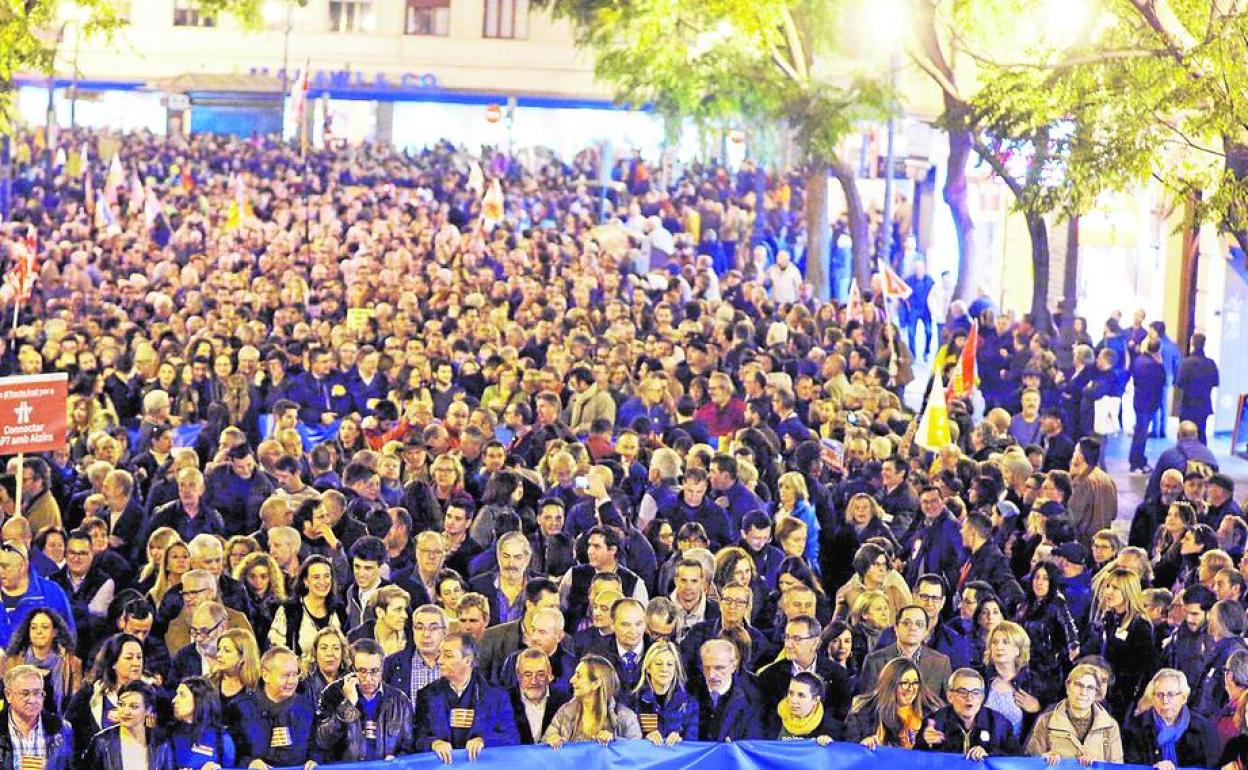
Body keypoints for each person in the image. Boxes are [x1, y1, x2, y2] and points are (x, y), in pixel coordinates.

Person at [414, 632, 519, 760]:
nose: (439, 661)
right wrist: (434, 743)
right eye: (440, 654)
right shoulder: (427, 694)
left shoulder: (496, 696)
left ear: (468, 660)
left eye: (448, 656)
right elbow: (418, 737)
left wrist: (484, 741)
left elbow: (511, 737)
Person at [314, 639, 415, 761]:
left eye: (374, 671)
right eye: (362, 671)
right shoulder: (332, 693)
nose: (368, 678)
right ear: (352, 669)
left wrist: (396, 760)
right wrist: (348, 704)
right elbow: (322, 741)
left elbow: (409, 745)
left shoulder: (400, 700)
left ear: (382, 668)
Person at [1026, 663, 1124, 765]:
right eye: (1078, 685)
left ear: (1096, 693)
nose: (1083, 692)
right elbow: (1029, 761)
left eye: (1090, 688)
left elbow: (1117, 767)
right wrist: (1044, 758)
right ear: (1067, 686)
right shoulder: (1046, 721)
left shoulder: (1110, 726)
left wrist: (1098, 764)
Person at [1123, 668, 1220, 768]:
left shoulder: (1204, 729)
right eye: (1159, 695)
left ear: (1184, 698)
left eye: (1171, 695)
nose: (1165, 701)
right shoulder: (1135, 727)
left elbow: (1213, 766)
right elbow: (1130, 766)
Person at [917, 668, 1021, 758]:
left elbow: (1017, 760)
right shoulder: (935, 723)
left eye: (975, 692)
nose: (969, 698)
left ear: (982, 698)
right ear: (949, 696)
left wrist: (990, 756)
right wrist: (925, 743)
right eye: (962, 692)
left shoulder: (1000, 724)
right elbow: (917, 760)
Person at [544, 654, 642, 747]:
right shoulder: (565, 712)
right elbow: (540, 753)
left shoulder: (625, 717)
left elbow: (636, 754)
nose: (571, 680)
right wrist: (550, 741)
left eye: (578, 676)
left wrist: (614, 741)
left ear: (596, 683)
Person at [844, 657, 940, 748]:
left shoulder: (931, 714)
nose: (911, 689)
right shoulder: (862, 714)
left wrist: (933, 744)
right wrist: (862, 746)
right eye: (904, 683)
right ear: (890, 685)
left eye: (915, 683)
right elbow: (848, 752)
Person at [84, 680, 175, 770]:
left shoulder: (162, 744)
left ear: (148, 710)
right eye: (121, 704)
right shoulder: (101, 742)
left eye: (133, 706)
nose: (125, 711)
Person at [0, 664, 74, 770]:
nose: (32, 700)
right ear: (8, 695)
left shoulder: (62, 729)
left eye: (37, 693)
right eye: (25, 694)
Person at [631, 639, 699, 746]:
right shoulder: (634, 700)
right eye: (658, 664)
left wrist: (681, 740)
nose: (664, 669)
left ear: (675, 669)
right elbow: (628, 739)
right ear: (648, 668)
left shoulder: (689, 703)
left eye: (670, 664)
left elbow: (693, 743)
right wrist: (645, 738)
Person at [170, 676, 236, 770]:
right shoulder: (170, 733)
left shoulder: (221, 739)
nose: (174, 700)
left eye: (182, 695)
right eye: (177, 694)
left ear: (199, 699)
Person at [1176, 332, 1220, 444]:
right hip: (1204, 404)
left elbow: (1179, 383)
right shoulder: (1211, 363)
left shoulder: (1186, 363)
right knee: (1201, 433)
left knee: (1185, 434)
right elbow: (1215, 382)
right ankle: (1201, 457)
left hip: (1188, 404)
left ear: (1192, 344)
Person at [774, 672, 841, 744]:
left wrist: (827, 744)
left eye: (801, 695)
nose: (793, 700)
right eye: (791, 693)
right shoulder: (776, 715)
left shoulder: (830, 728)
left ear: (816, 700)